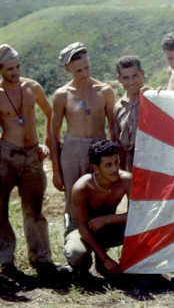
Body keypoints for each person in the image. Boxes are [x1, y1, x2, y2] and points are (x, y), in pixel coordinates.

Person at [0, 44, 57, 278]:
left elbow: (51, 114)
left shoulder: (32, 87)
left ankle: (41, 258)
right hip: (7, 155)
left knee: (34, 208)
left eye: (18, 66)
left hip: (33, 155)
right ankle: (5, 258)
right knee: (0, 206)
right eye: (10, 68)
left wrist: (45, 144)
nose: (15, 71)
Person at [50, 42, 115, 237]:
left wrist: (111, 158)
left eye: (87, 68)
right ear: (67, 69)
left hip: (99, 147)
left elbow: (113, 127)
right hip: (72, 150)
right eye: (78, 70)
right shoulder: (62, 95)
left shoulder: (104, 91)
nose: (84, 74)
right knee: (73, 200)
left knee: (100, 196)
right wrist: (55, 170)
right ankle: (75, 254)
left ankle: (101, 252)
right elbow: (53, 133)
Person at [63, 140, 131, 281]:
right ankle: (80, 267)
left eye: (116, 162)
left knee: (143, 231)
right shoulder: (82, 187)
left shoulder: (125, 180)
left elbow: (138, 216)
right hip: (82, 229)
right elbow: (82, 226)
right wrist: (105, 258)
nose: (115, 169)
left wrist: (107, 219)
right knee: (77, 254)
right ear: (96, 168)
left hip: (108, 226)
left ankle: (135, 268)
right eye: (108, 165)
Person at [114, 55, 146, 172]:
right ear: (119, 79)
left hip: (152, 163)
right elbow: (118, 144)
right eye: (126, 78)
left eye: (135, 76)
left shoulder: (154, 100)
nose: (131, 82)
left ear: (142, 73)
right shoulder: (118, 107)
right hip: (130, 166)